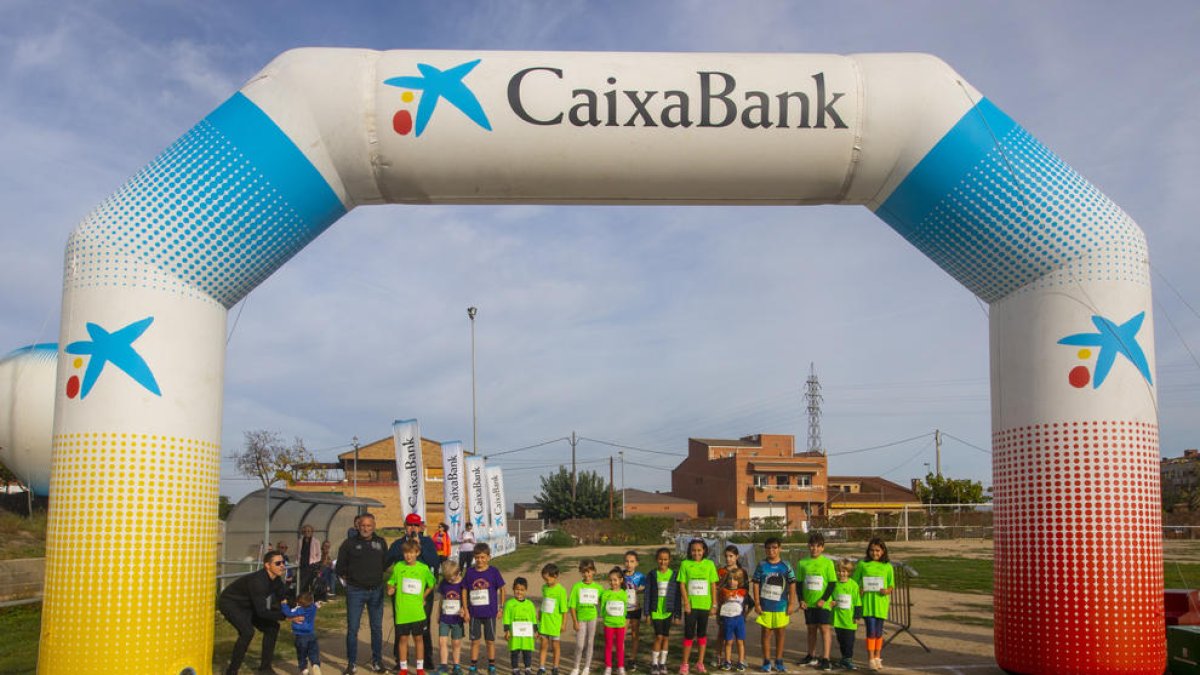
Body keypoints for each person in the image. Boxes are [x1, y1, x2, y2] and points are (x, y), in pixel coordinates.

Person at [218, 549, 289, 675]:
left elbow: (283, 598)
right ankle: (232, 671)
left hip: (249, 604)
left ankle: (265, 669)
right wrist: (285, 616)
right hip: (231, 603)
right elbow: (262, 612)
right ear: (267, 565)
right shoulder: (258, 581)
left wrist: (294, 612)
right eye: (278, 563)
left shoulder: (276, 579)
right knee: (247, 632)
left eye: (283, 562)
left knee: (272, 628)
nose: (282, 565)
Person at [336, 512, 389, 674]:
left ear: (374, 527)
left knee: (376, 628)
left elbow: (385, 563)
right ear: (358, 526)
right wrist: (353, 579)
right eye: (363, 525)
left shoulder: (381, 542)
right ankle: (351, 664)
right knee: (353, 628)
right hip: (355, 592)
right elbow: (339, 568)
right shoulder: (348, 544)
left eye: (369, 526)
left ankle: (377, 662)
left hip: (376, 591)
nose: (366, 528)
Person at [390, 513, 442, 669]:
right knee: (401, 625)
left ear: (421, 527)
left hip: (422, 593)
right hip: (403, 595)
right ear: (405, 526)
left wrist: (420, 547)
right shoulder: (398, 544)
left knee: (424, 624)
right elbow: (387, 560)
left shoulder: (427, 542)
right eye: (409, 525)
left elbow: (435, 562)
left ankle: (426, 658)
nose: (412, 528)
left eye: (415, 525)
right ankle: (400, 660)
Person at [750, 538, 797, 674]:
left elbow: (792, 584)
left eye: (774, 547)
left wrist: (791, 603)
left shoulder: (786, 566)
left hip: (781, 606)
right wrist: (757, 603)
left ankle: (779, 660)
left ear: (780, 548)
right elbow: (756, 583)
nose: (771, 551)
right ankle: (766, 660)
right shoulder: (762, 565)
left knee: (780, 633)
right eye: (769, 548)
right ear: (765, 549)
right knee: (766, 633)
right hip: (765, 606)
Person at [851, 538, 894, 672]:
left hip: (881, 603)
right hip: (868, 603)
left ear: (883, 551)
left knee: (879, 631)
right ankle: (870, 658)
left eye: (877, 550)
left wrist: (887, 590)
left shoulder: (887, 566)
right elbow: (854, 582)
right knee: (871, 630)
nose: (874, 553)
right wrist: (859, 589)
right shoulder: (863, 564)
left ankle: (877, 657)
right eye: (872, 550)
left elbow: (891, 585)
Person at [796, 532, 836, 671]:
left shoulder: (828, 563)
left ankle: (826, 658)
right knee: (811, 629)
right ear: (808, 546)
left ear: (822, 548)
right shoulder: (802, 563)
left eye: (818, 546)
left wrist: (823, 599)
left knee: (825, 629)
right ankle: (811, 655)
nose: (815, 549)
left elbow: (832, 583)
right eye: (812, 546)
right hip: (809, 603)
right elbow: (799, 583)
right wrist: (801, 600)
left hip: (823, 603)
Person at [465, 542, 507, 675]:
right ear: (474, 557)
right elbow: (464, 590)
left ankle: (492, 665)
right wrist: (465, 609)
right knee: (475, 641)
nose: (480, 560)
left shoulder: (493, 571)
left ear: (489, 557)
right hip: (474, 614)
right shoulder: (470, 571)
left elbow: (502, 589)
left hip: (490, 613)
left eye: (483, 557)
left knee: (490, 640)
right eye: (477, 557)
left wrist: (501, 607)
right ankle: (473, 665)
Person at [678, 539, 718, 675]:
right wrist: (686, 603)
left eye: (699, 550)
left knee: (702, 634)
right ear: (690, 551)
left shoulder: (710, 564)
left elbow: (713, 585)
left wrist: (714, 604)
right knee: (689, 634)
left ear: (704, 551)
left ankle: (700, 663)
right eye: (693, 550)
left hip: (705, 606)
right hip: (691, 606)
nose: (696, 553)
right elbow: (682, 585)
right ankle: (684, 664)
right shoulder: (685, 564)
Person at [644, 548, 682, 675]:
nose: (663, 561)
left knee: (666, 637)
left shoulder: (674, 575)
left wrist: (677, 614)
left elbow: (677, 596)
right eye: (660, 559)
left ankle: (663, 663)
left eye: (665, 559)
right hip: (656, 611)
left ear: (669, 560)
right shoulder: (652, 575)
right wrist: (647, 613)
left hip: (668, 611)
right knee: (658, 636)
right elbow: (647, 594)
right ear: (656, 559)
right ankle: (654, 663)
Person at [568, 558, 603, 675]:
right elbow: (572, 606)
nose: (586, 574)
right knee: (579, 644)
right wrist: (574, 621)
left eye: (589, 571)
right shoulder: (577, 587)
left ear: (594, 571)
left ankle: (587, 667)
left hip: (593, 618)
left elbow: (605, 600)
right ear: (581, 572)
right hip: (580, 619)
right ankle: (576, 667)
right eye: (584, 572)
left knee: (590, 642)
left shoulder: (598, 588)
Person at [713, 546, 746, 669]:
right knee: (722, 633)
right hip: (724, 607)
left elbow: (745, 590)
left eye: (731, 556)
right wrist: (716, 606)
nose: (728, 558)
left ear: (737, 557)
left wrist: (745, 611)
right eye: (726, 556)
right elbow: (716, 588)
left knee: (740, 637)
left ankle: (741, 659)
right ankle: (719, 657)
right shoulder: (721, 571)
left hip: (737, 610)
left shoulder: (742, 572)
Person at [436, 559, 470, 675]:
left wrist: (464, 610)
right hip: (445, 618)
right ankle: (444, 666)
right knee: (442, 641)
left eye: (452, 577)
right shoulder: (443, 583)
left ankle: (456, 666)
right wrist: (438, 613)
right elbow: (441, 599)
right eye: (447, 578)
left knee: (456, 643)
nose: (450, 580)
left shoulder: (463, 584)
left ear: (458, 573)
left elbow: (467, 599)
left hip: (457, 619)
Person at [829, 560, 862, 671]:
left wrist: (857, 615)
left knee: (849, 640)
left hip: (849, 619)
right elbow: (831, 598)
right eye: (839, 571)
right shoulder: (834, 584)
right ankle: (844, 658)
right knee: (841, 639)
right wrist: (832, 602)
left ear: (849, 572)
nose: (841, 573)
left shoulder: (853, 585)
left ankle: (848, 659)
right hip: (838, 618)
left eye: (844, 571)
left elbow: (857, 601)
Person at [281, 591, 324, 675]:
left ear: (299, 602)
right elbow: (317, 604)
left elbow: (288, 613)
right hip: (311, 634)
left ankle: (304, 669)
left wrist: (284, 605)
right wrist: (318, 603)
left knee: (301, 654)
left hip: (300, 636)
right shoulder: (312, 608)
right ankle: (315, 665)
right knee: (313, 652)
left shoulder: (298, 610)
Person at [538, 563, 569, 675]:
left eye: (548, 578)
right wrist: (540, 616)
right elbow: (544, 602)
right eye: (545, 579)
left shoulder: (561, 591)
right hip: (544, 622)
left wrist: (564, 624)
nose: (547, 581)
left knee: (555, 646)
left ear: (555, 575)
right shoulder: (544, 588)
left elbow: (564, 610)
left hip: (555, 623)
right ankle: (541, 667)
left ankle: (555, 667)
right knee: (543, 645)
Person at [504, 577, 539, 675]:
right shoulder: (509, 604)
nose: (519, 592)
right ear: (513, 589)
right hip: (514, 635)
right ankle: (515, 669)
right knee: (514, 652)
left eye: (522, 590)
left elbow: (533, 619)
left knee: (527, 652)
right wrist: (507, 631)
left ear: (526, 590)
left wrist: (536, 631)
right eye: (517, 589)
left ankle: (528, 668)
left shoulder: (530, 604)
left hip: (526, 635)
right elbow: (506, 618)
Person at [600, 567, 630, 675]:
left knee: (619, 646)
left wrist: (624, 621)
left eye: (615, 580)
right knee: (608, 645)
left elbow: (625, 609)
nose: (613, 582)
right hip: (608, 624)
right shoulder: (605, 594)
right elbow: (603, 608)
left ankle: (620, 666)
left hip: (620, 625)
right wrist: (605, 619)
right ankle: (608, 666)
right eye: (611, 580)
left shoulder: (624, 594)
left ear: (621, 580)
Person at [717, 571, 749, 672]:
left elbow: (749, 604)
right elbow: (720, 603)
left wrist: (745, 615)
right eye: (730, 579)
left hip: (739, 619)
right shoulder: (723, 591)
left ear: (739, 581)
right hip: (727, 620)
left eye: (735, 579)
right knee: (728, 642)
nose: (732, 581)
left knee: (740, 641)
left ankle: (741, 662)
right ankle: (727, 661)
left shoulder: (743, 592)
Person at [622, 551, 647, 672]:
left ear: (636, 563)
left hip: (635, 609)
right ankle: (621, 658)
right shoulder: (621, 575)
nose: (629, 564)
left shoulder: (641, 576)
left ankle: (632, 659)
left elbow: (645, 587)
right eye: (626, 561)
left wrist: (637, 590)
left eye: (632, 561)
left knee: (634, 634)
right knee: (622, 635)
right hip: (623, 610)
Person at [298, 524, 324, 593]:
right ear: (303, 532)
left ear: (312, 532)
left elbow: (319, 554)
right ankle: (303, 597)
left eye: (309, 531)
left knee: (309, 582)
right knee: (303, 583)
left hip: (311, 565)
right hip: (302, 564)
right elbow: (298, 553)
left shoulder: (316, 541)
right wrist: (297, 561)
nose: (307, 532)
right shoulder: (300, 541)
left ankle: (309, 598)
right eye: (305, 531)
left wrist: (316, 563)